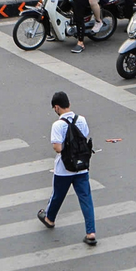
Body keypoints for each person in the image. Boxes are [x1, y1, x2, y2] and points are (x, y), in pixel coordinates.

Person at [38, 91, 98, 245]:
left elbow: (58, 148)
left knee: (58, 195)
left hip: (64, 169)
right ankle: (90, 232)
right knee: (86, 199)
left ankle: (49, 218)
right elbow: (84, 138)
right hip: (82, 167)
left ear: (56, 108)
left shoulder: (58, 125)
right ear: (69, 104)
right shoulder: (82, 120)